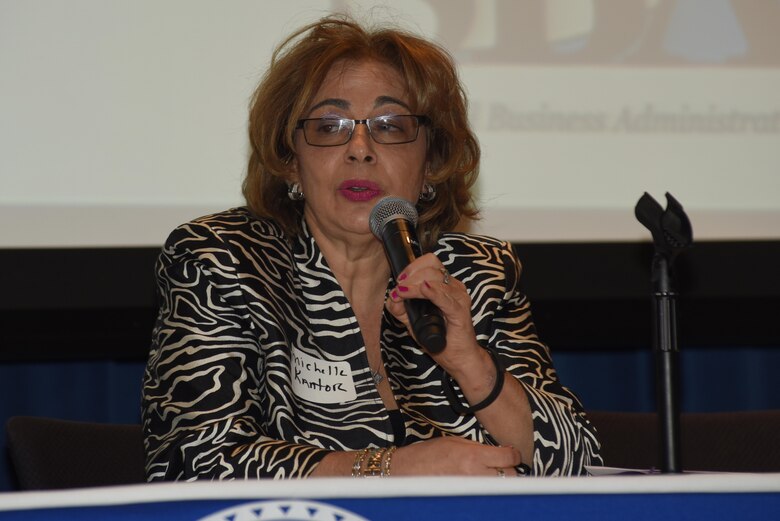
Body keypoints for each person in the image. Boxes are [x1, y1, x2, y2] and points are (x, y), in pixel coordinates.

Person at [142, 14, 602, 480]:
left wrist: (470, 361)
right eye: (329, 125)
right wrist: (392, 470)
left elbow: (580, 465)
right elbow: (194, 460)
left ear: (430, 165)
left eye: (390, 124)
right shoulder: (223, 261)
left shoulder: (478, 273)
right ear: (290, 163)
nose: (360, 148)